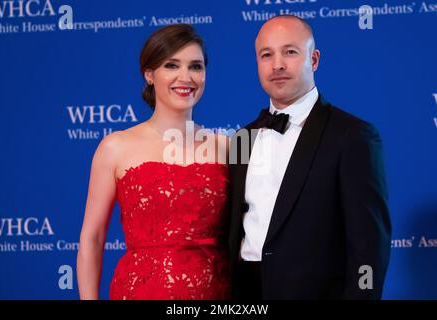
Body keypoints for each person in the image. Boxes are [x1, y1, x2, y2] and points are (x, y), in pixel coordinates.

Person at [228, 15, 392, 299]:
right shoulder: (243, 137)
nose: (277, 64)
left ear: (314, 60)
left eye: (290, 52)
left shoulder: (352, 135)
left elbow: (369, 245)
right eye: (266, 55)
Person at [77, 24, 230, 300]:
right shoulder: (116, 147)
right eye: (172, 65)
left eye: (195, 67)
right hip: (139, 292)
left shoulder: (226, 147)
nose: (185, 77)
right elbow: (92, 238)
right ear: (149, 74)